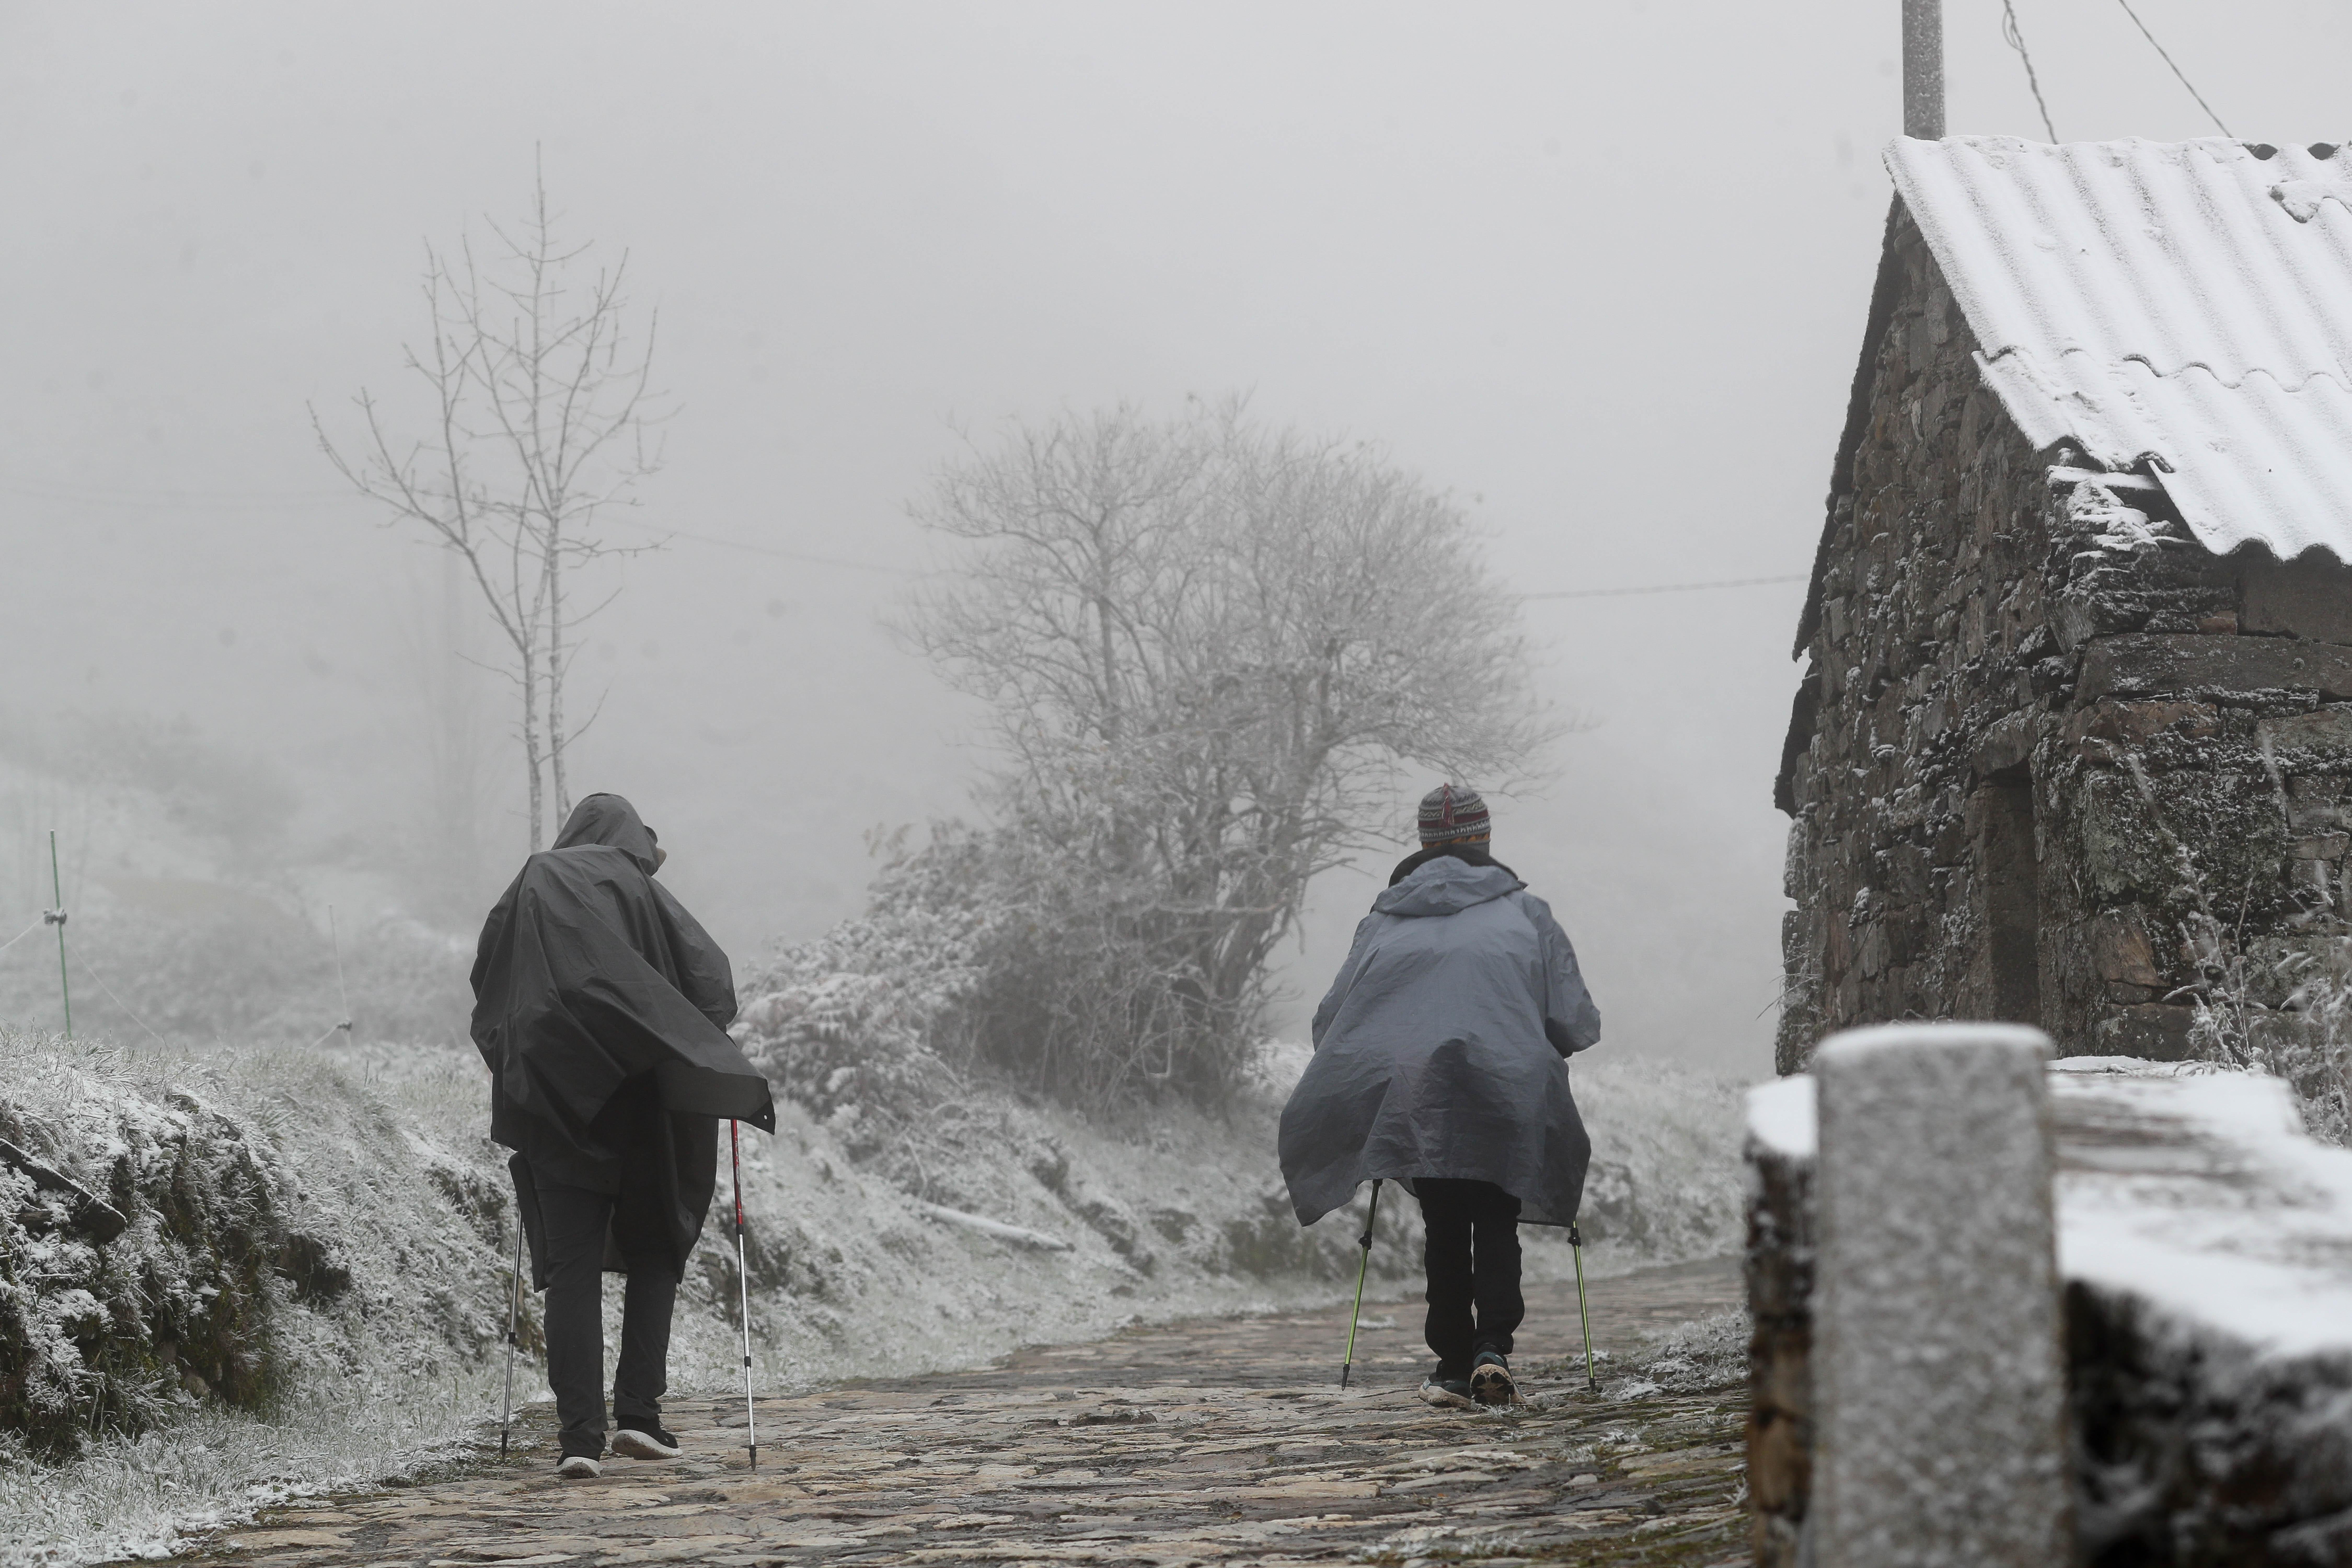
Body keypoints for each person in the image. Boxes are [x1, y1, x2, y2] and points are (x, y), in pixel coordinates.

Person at [471, 793, 776, 1478]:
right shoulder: (645, 892)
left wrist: (524, 1070)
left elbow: (490, 989)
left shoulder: (533, 883)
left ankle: (580, 1440)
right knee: (654, 1249)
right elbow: (713, 985)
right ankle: (640, 1415)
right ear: (635, 841)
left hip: (558, 1101)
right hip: (648, 1104)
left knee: (573, 1271)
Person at [1278, 783, 1601, 1408]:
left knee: (1446, 1221)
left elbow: (1334, 1020)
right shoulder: (1528, 915)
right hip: (1507, 1087)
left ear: (1423, 844)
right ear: (1484, 839)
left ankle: (1453, 1363)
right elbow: (1575, 1023)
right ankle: (1494, 1346)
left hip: (1416, 1098)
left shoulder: (1384, 922)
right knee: (1497, 1214)